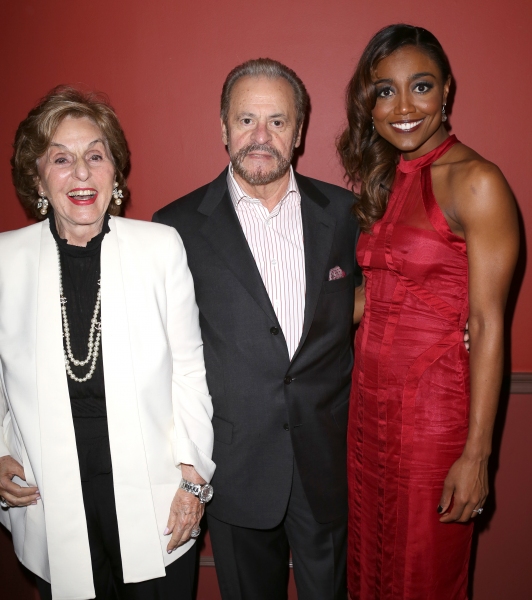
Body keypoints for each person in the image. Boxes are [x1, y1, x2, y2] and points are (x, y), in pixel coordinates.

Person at [153, 58, 360, 600]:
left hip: (327, 465)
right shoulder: (174, 228)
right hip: (235, 472)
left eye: (277, 121)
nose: (261, 136)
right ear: (223, 128)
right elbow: (161, 358)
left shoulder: (346, 215)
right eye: (246, 120)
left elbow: (381, 299)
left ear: (299, 131)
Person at [0, 86, 215, 600]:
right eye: (61, 159)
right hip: (50, 496)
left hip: (155, 494)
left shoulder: (160, 248)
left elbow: (190, 371)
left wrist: (193, 479)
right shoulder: (5, 260)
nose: (81, 173)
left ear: (115, 171)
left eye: (95, 156)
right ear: (37, 177)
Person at [337, 24, 519, 599]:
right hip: (365, 412)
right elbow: (372, 297)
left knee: (421, 575)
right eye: (384, 91)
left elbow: (489, 325)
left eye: (421, 86)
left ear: (447, 91)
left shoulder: (478, 182)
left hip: (433, 417)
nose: (403, 106)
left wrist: (478, 453)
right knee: (368, 566)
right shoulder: (383, 178)